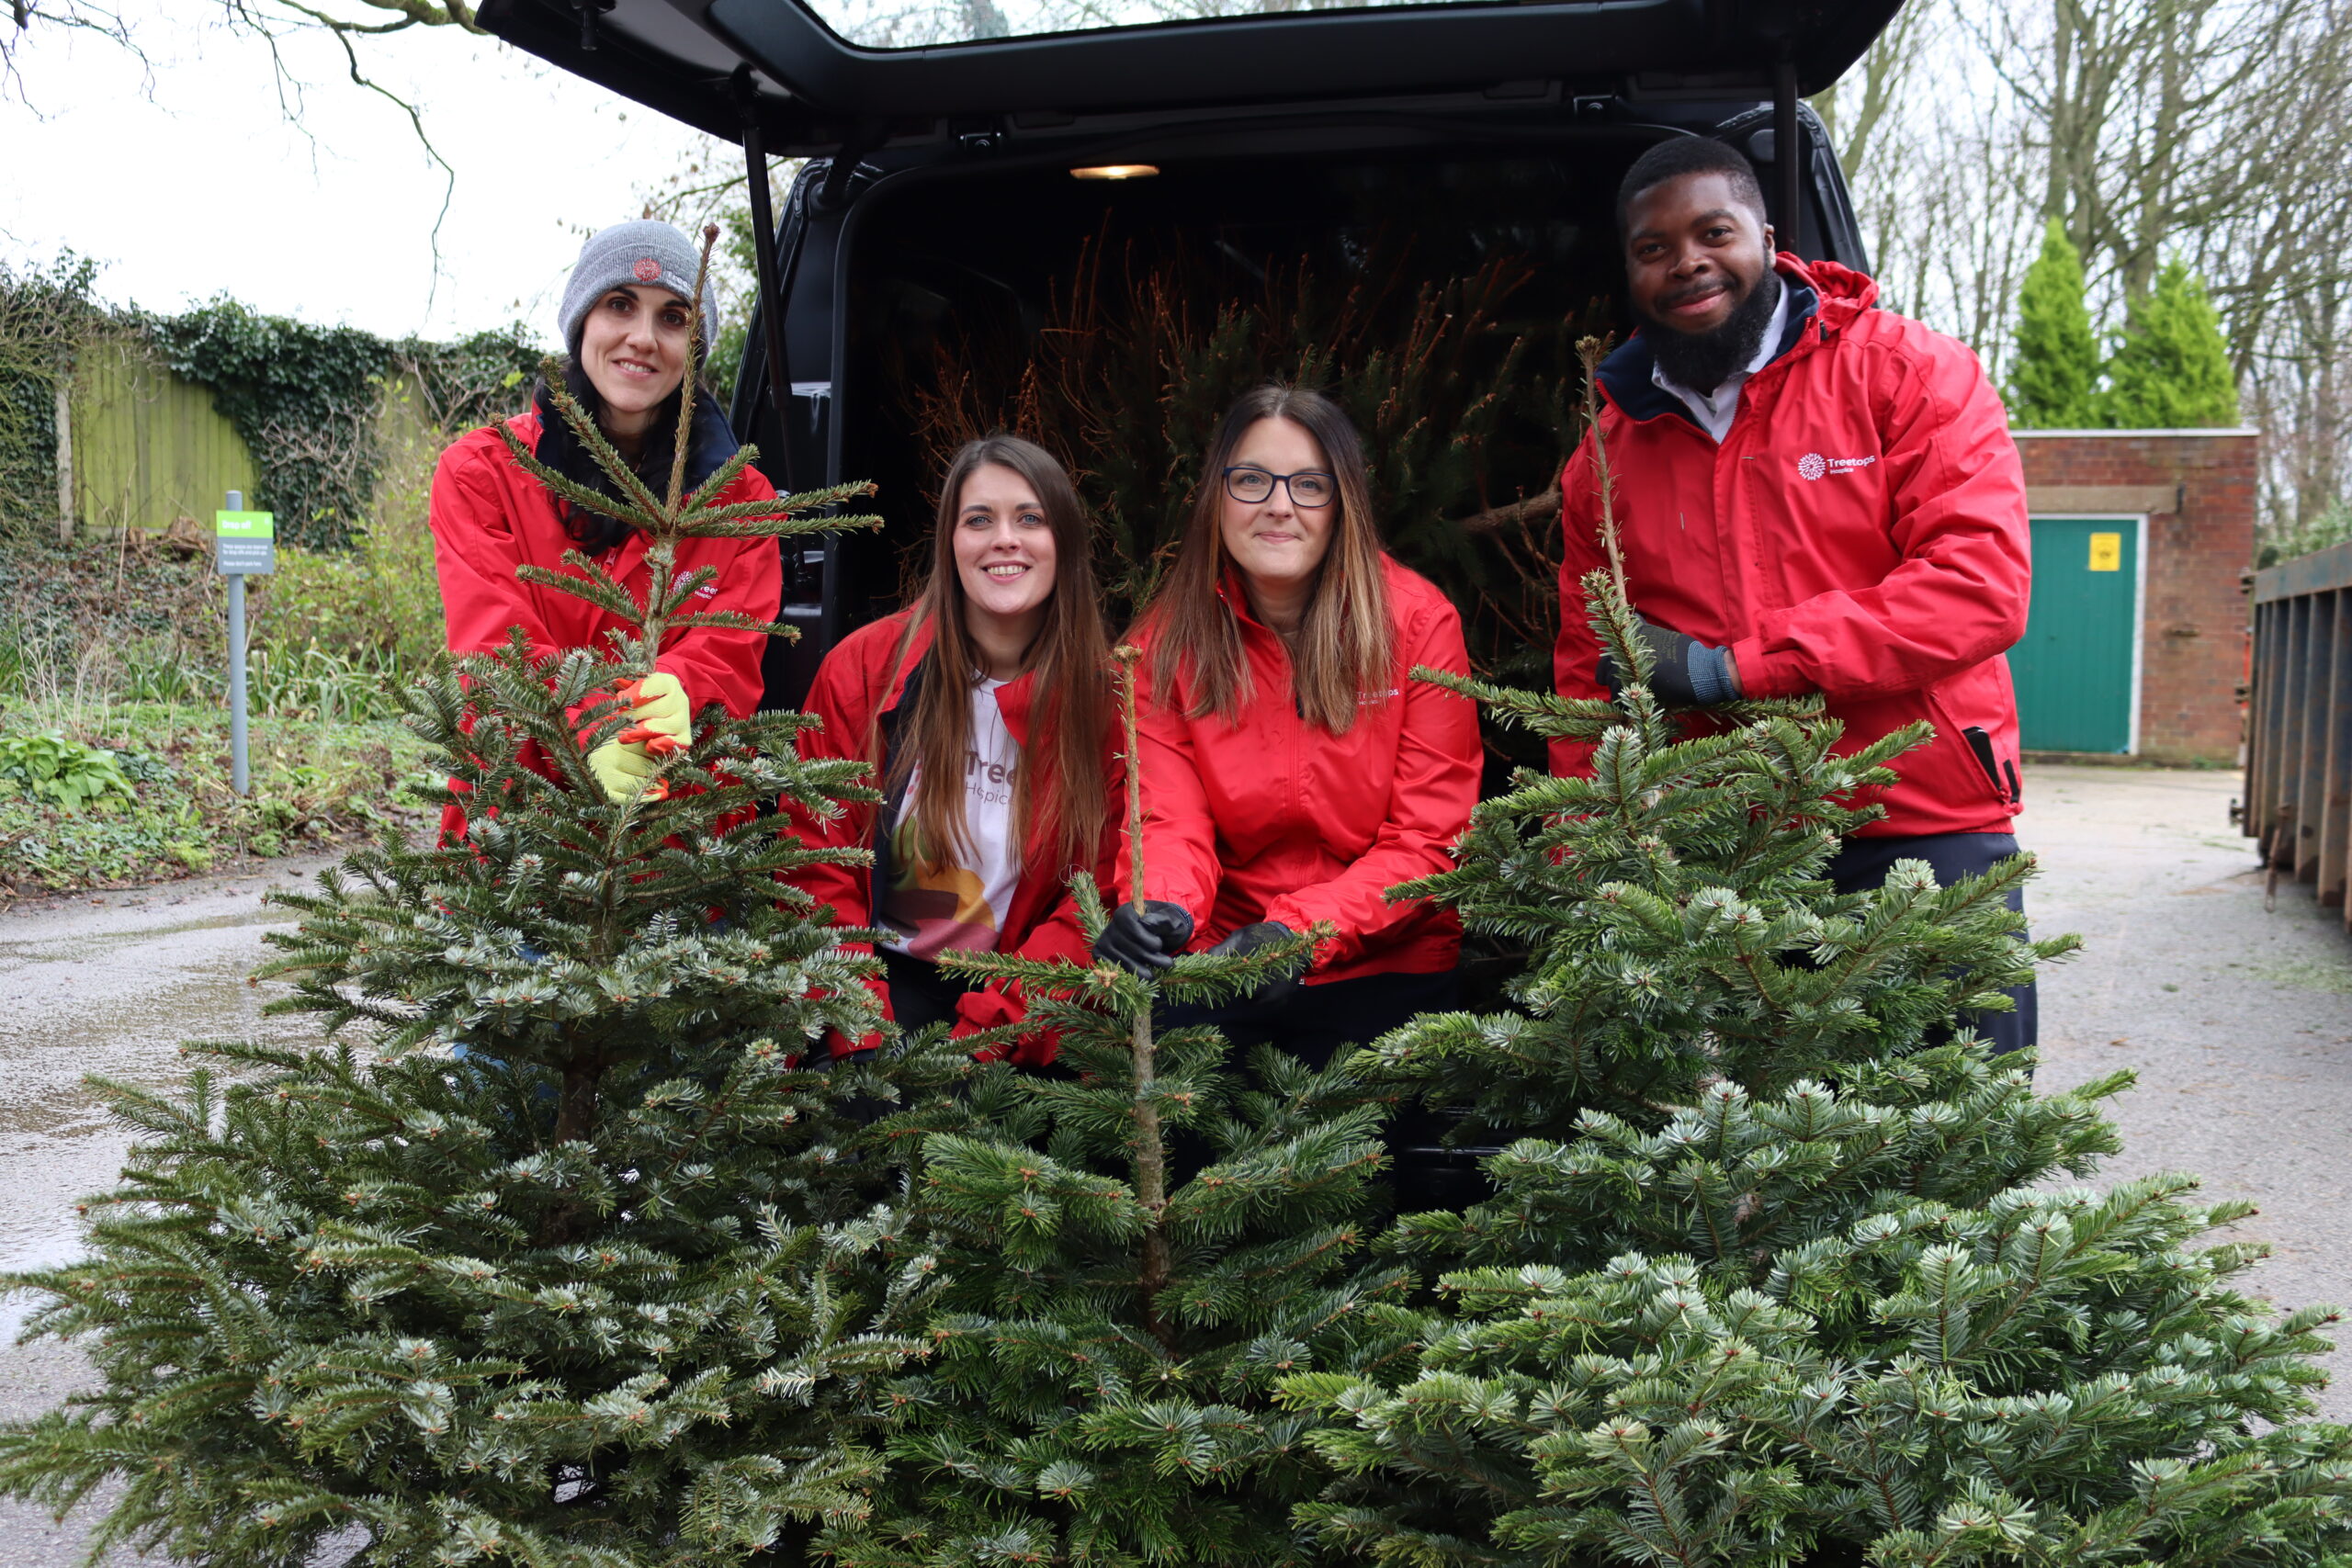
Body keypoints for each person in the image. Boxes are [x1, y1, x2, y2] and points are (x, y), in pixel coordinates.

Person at [1550, 136, 2037, 1052]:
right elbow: (1588, 663)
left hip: (1920, 826)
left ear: (1766, 237)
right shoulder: (1606, 454)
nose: (1685, 262)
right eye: (1652, 249)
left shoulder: (1908, 374)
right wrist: (1590, 844)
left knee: (1951, 1156)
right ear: (1628, 271)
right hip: (1724, 858)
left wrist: (1732, 669)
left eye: (1712, 232)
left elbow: (1978, 586)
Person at [1093, 385, 1482, 1062]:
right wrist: (1164, 910)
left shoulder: (1419, 625)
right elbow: (1165, 817)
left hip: (1386, 958)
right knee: (1176, 1115)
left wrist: (1296, 936)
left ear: (1343, 505)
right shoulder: (1163, 646)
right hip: (1225, 956)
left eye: (1309, 484)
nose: (1279, 505)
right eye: (1251, 480)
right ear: (1217, 497)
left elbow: (1429, 840)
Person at [428, 219, 782, 837]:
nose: (643, 338)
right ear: (582, 322)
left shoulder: (741, 499)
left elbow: (731, 659)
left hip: (680, 850)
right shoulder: (481, 472)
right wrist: (600, 725)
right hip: (522, 848)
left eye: (673, 318)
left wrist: (683, 690)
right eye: (620, 305)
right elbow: (494, 653)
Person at [789, 435, 1114, 1065]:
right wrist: (858, 1033)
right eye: (979, 519)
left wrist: (989, 1037)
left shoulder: (1105, 705)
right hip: (872, 982)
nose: (1005, 539)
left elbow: (1093, 902)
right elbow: (813, 862)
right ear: (950, 543)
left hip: (1012, 1001)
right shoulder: (864, 667)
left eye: (1030, 518)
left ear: (1064, 544)